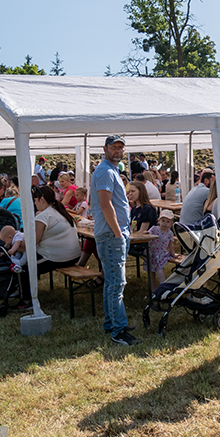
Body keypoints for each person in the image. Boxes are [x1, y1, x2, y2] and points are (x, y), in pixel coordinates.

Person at [92, 134, 140, 346]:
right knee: (117, 283)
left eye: (121, 147)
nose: (118, 151)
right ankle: (118, 331)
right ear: (105, 148)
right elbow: (106, 204)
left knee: (112, 281)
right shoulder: (104, 171)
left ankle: (112, 323)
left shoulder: (111, 170)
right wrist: (118, 232)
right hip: (112, 234)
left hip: (114, 232)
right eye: (114, 147)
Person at [15, 185, 81, 310]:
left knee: (23, 268)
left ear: (42, 199)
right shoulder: (59, 211)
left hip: (59, 257)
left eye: (35, 200)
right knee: (29, 261)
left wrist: (14, 247)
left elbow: (32, 242)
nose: (34, 203)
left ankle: (26, 300)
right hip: (74, 255)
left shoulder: (44, 216)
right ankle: (24, 292)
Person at [145, 209, 181, 286]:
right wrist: (147, 232)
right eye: (163, 220)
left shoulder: (169, 233)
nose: (165, 223)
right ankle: (153, 288)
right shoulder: (154, 229)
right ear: (159, 220)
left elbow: (171, 245)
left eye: (168, 222)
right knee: (151, 271)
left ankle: (163, 286)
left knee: (160, 270)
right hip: (152, 253)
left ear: (171, 223)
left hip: (161, 254)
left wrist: (173, 254)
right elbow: (149, 233)